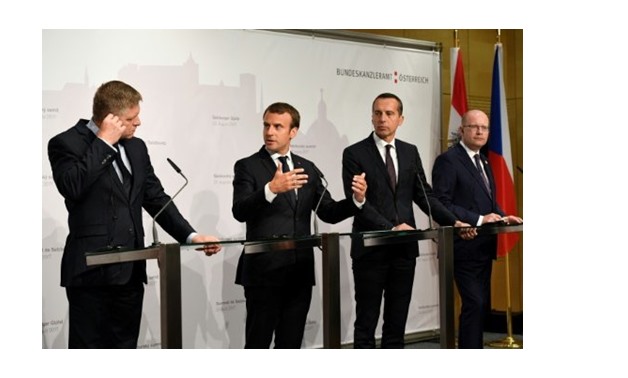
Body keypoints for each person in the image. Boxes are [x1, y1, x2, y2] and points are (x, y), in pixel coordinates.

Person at [48, 80, 222, 348]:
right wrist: (104, 141)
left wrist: (190, 235)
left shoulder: (137, 147)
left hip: (129, 272)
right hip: (90, 274)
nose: (138, 122)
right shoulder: (66, 143)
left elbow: (155, 198)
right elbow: (72, 187)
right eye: (131, 118)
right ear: (111, 119)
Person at [342, 92, 474, 349]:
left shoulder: (409, 152)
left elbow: (425, 196)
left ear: (400, 119)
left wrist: (454, 222)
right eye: (378, 113)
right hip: (370, 250)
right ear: (371, 117)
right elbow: (358, 202)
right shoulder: (354, 152)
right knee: (366, 322)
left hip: (403, 251)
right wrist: (391, 228)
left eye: (389, 113)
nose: (383, 119)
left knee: (396, 322)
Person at [232, 102, 367, 348]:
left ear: (293, 132)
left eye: (277, 126)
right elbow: (239, 211)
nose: (270, 132)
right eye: (266, 125)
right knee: (257, 344)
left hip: (299, 271)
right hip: (264, 272)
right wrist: (271, 189)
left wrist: (356, 201)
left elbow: (327, 211)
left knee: (291, 343)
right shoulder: (247, 166)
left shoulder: (308, 169)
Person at [431, 109, 523, 348]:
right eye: (474, 127)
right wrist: (479, 219)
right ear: (462, 130)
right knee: (475, 302)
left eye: (484, 127)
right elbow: (441, 202)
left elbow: (489, 203)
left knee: (478, 306)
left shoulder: (483, 159)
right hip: (461, 245)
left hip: (482, 247)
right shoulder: (448, 160)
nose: (480, 131)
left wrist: (504, 216)